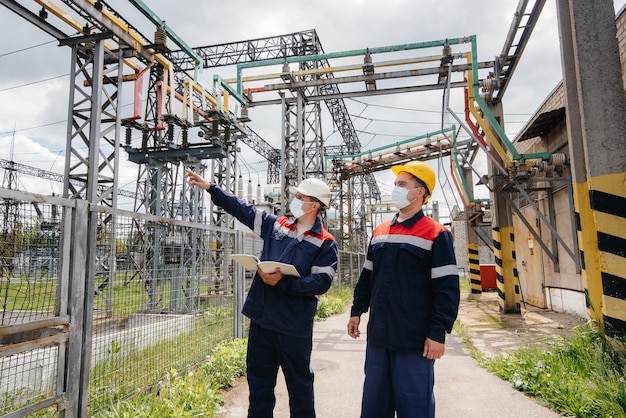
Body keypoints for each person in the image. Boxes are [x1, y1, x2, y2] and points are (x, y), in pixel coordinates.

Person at [185, 169, 338, 418]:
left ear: (314, 205)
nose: (294, 201)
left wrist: (282, 283)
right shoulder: (277, 225)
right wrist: (212, 188)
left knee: (299, 388)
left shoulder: (325, 242)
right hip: (263, 320)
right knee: (259, 388)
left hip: (293, 326)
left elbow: (321, 282)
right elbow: (242, 209)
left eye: (300, 197)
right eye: (295, 196)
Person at [347, 161, 460, 418]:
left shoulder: (436, 234)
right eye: (396, 184)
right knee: (375, 405)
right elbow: (367, 276)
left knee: (414, 406)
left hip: (414, 340)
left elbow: (447, 289)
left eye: (402, 185)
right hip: (379, 336)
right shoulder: (380, 232)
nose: (396, 189)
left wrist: (438, 331)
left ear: (420, 192)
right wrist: (357, 310)